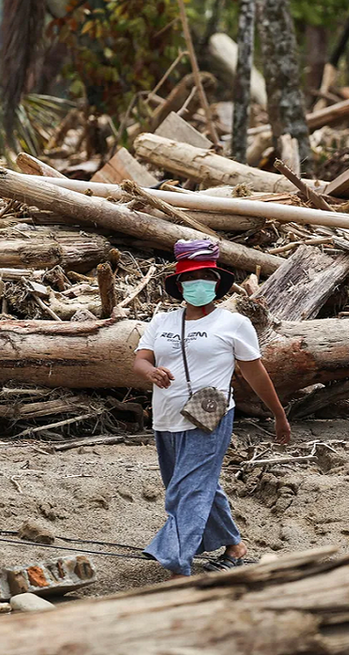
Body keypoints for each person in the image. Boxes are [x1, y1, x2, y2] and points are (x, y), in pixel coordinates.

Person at [133, 239, 290, 579]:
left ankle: (176, 562)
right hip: (166, 411)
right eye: (191, 277)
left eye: (205, 276)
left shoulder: (233, 324)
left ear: (217, 282)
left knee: (186, 488)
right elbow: (141, 359)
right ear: (180, 284)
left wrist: (278, 413)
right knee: (195, 482)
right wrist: (151, 372)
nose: (198, 283)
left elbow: (254, 372)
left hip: (210, 402)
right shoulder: (162, 322)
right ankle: (233, 544)